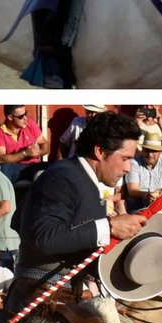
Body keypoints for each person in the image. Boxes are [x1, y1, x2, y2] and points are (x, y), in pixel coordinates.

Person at [13, 110, 148, 292]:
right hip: (40, 295)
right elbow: (44, 237)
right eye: (124, 159)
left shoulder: (83, 179)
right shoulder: (63, 177)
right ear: (100, 151)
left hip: (65, 292)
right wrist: (109, 227)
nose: (127, 168)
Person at [0, 105, 48, 183]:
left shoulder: (30, 124)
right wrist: (25, 153)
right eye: (21, 116)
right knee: (4, 168)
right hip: (15, 168)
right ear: (10, 117)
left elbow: (44, 144)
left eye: (25, 113)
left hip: (34, 165)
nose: (25, 118)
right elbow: (1, 159)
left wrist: (38, 152)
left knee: (53, 167)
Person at [124, 130, 162, 212]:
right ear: (143, 149)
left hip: (161, 200)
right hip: (139, 201)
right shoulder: (134, 163)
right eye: (147, 150)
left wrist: (161, 194)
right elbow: (132, 191)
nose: (150, 154)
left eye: (153, 151)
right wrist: (147, 195)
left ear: (160, 152)